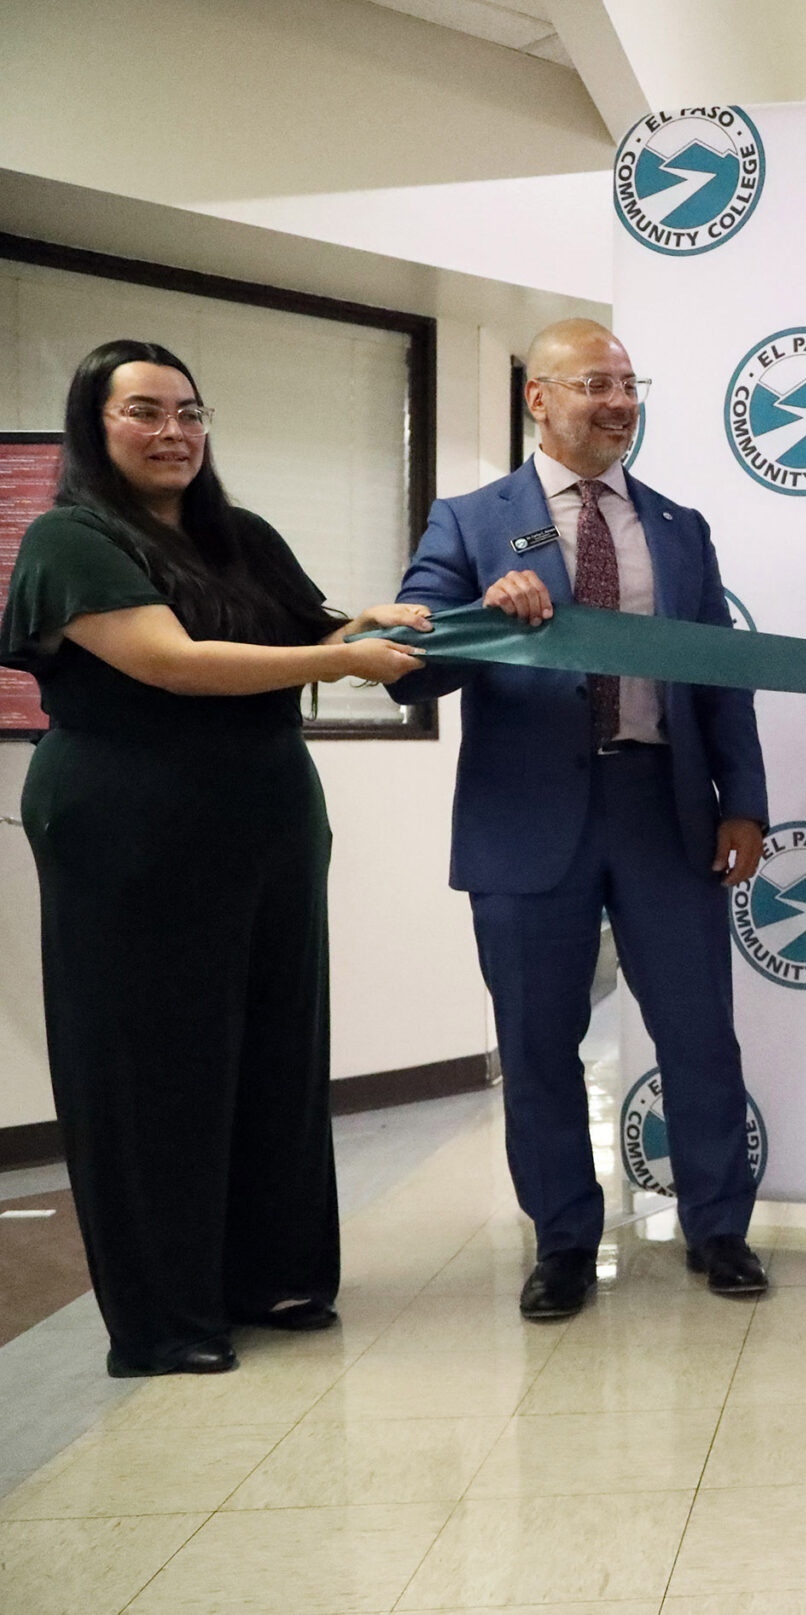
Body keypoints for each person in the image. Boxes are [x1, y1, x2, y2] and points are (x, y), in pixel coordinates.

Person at [0, 340, 426, 1377]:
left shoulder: (243, 534)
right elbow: (171, 661)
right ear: (94, 426)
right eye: (144, 411)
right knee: (152, 1065)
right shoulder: (70, 537)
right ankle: (167, 1318)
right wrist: (343, 655)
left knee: (276, 1051)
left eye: (189, 412)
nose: (173, 432)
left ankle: (272, 1276)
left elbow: (315, 626)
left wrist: (387, 622)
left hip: (267, 819)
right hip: (131, 828)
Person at [388, 318, 770, 1320]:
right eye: (596, 384)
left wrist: (744, 801)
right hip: (525, 819)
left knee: (699, 1034)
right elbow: (408, 665)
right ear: (540, 398)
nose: (619, 403)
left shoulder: (679, 527)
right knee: (535, 1043)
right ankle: (562, 1242)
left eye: (629, 385)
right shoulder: (469, 523)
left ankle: (718, 1228)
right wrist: (485, 615)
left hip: (663, 809)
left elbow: (721, 676)